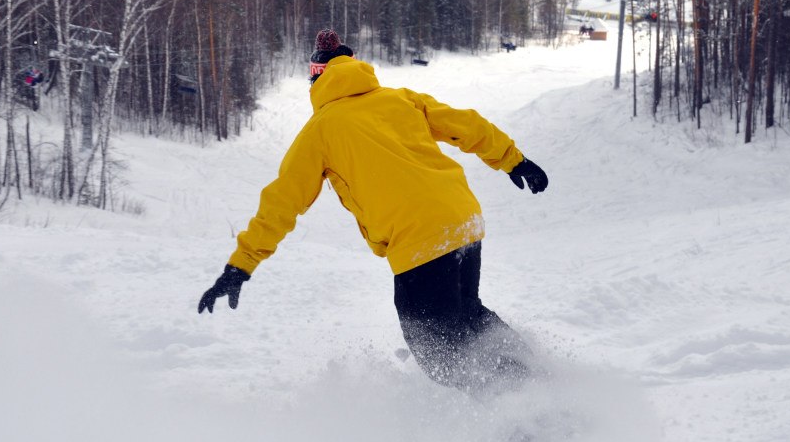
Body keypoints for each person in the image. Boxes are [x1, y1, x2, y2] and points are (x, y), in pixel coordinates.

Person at [198, 29, 549, 393]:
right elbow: (468, 124)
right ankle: (539, 382)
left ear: (316, 79)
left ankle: (518, 417)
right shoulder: (399, 99)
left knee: (438, 351)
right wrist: (513, 160)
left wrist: (240, 266)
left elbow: (281, 204)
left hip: (419, 240)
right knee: (468, 315)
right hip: (462, 220)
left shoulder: (320, 130)